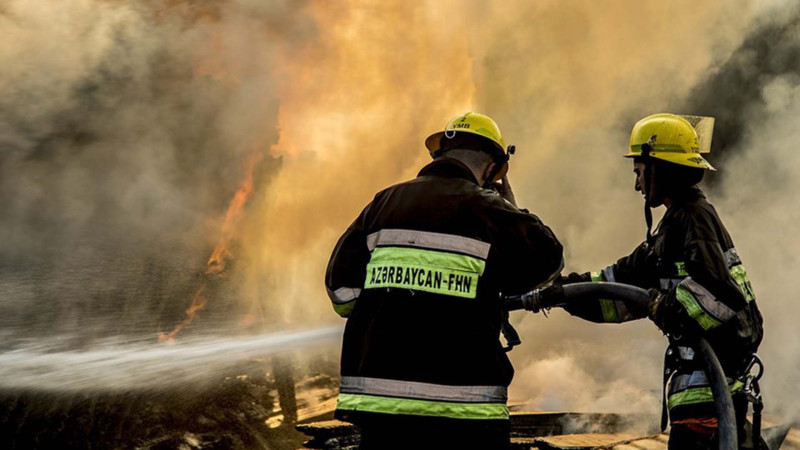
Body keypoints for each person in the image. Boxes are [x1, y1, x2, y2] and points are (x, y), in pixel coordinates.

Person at [324, 111, 564, 449]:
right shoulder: (488, 209)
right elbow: (548, 259)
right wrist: (513, 207)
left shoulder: (384, 203)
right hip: (465, 409)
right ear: (493, 169)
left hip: (381, 406)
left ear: (438, 155)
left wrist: (392, 306)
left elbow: (341, 293)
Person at [560, 113, 764, 449]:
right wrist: (558, 292)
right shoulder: (671, 229)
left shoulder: (694, 217)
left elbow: (720, 294)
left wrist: (663, 305)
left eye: (639, 171)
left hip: (711, 404)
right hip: (700, 402)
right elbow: (613, 289)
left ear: (660, 168)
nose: (637, 184)